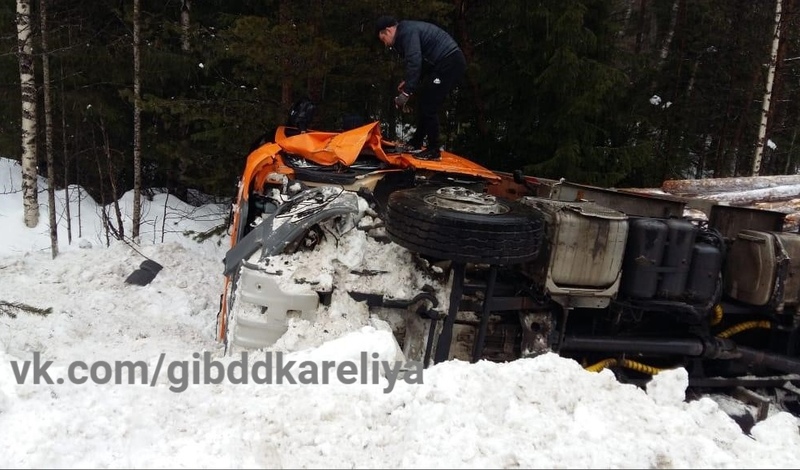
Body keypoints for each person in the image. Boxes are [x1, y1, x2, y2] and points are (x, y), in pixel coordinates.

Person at [375, 15, 466, 160]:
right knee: (424, 100)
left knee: (429, 105)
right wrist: (408, 82)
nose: (386, 44)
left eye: (383, 39)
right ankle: (416, 142)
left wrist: (406, 93)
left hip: (450, 62)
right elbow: (424, 60)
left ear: (388, 31)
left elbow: (414, 61)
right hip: (441, 63)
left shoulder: (407, 33)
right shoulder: (406, 31)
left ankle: (434, 150)